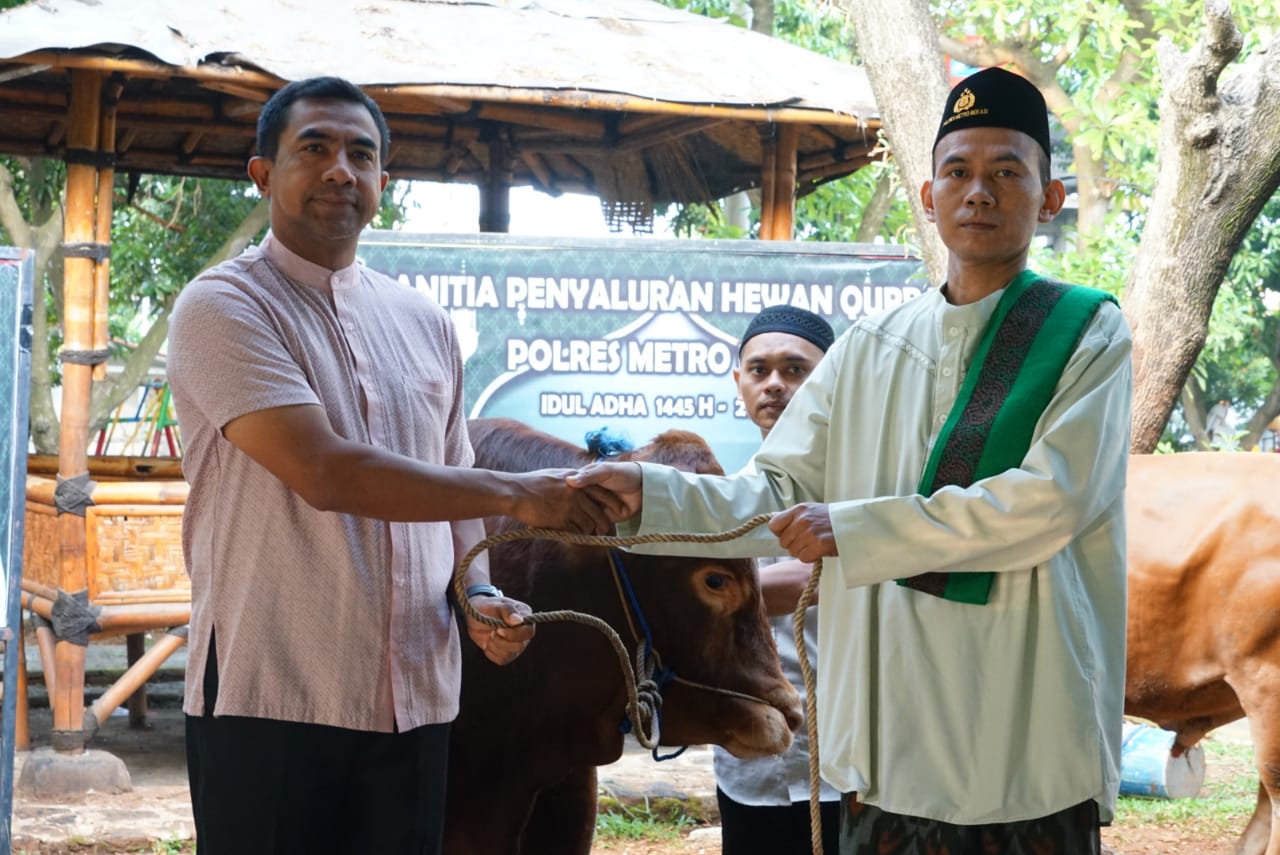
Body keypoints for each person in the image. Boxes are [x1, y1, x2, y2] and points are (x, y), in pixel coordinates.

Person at [572, 66, 1132, 854]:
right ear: (930, 195)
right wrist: (646, 492)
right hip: (892, 746)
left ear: (1050, 198)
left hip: (1026, 740)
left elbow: (1050, 502)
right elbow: (771, 490)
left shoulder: (1086, 334)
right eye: (959, 171)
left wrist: (852, 527)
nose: (980, 192)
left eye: (1008, 171)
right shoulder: (871, 348)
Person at [167, 76, 611, 855]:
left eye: (361, 153)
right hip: (272, 694)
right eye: (316, 148)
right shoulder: (224, 306)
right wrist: (521, 493)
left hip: (417, 697)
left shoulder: (425, 321)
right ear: (263, 174)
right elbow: (325, 470)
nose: (342, 169)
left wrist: (476, 590)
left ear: (383, 182)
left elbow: (452, 477)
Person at [718, 305, 841, 854]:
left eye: (795, 370)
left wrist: (725, 598)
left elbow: (817, 575)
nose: (774, 385)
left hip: (853, 767)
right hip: (751, 766)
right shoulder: (722, 499)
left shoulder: (873, 487)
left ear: (833, 379)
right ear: (739, 381)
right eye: (759, 369)